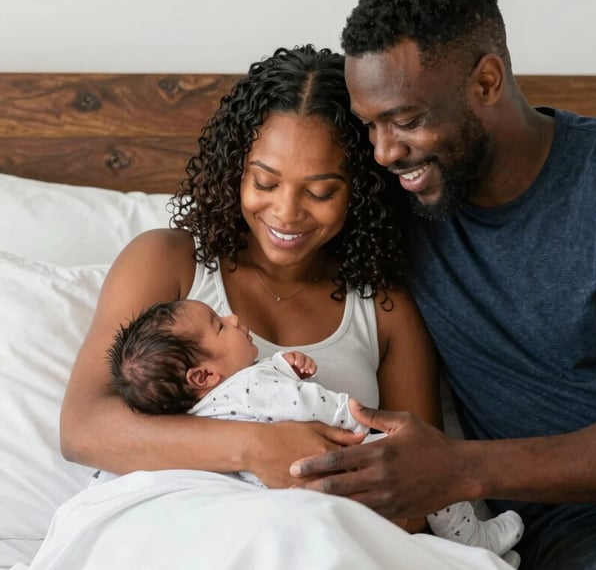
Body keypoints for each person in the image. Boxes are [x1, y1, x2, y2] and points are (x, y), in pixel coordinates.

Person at [288, 0, 596, 568]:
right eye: (370, 127)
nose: (385, 152)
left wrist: (459, 469)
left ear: (487, 81)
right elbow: (269, 230)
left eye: (407, 120)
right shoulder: (390, 207)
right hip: (584, 527)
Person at [59, 44, 443, 521]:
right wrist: (256, 447)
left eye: (321, 191)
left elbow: (422, 480)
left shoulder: (383, 308)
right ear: (235, 171)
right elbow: (84, 429)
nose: (286, 213)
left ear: (360, 192)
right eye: (264, 183)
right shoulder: (169, 262)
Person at [107, 297, 524, 560]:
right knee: (432, 477)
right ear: (203, 377)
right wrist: (361, 420)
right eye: (219, 325)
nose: (232, 317)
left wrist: (283, 365)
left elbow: (257, 396)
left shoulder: (194, 419)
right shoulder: (251, 385)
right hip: (339, 466)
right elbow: (313, 407)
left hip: (287, 501)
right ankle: (473, 543)